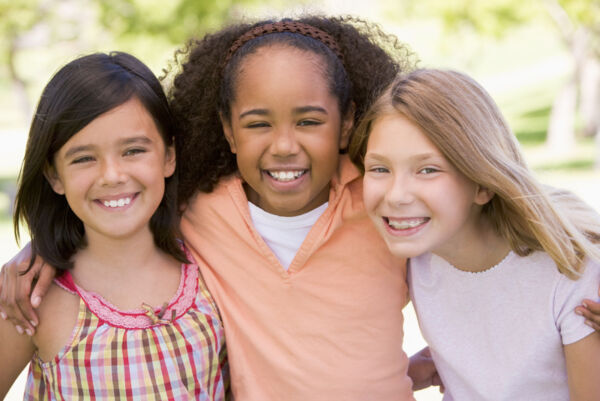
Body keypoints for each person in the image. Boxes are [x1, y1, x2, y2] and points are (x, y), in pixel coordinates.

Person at [0, 16, 439, 400]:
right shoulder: (201, 215)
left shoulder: (382, 200)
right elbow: (116, 219)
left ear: (346, 123)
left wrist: (414, 369)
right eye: (258, 123)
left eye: (308, 121)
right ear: (228, 130)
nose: (284, 145)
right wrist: (41, 252)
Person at [349, 69, 600, 400]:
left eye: (428, 170)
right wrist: (412, 370)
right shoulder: (412, 253)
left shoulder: (569, 269)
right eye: (380, 169)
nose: (396, 196)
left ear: (482, 183)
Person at [0, 52, 228, 400]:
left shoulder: (211, 273)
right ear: (53, 175)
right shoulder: (33, 303)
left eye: (133, 150)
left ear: (169, 156)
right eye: (84, 158)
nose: (112, 175)